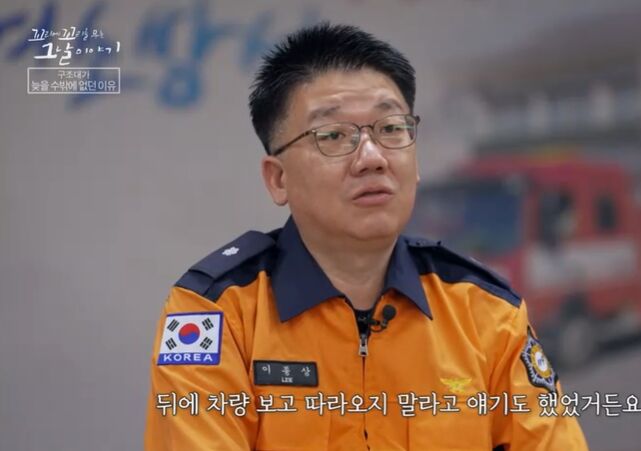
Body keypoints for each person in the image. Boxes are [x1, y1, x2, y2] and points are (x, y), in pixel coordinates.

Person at [144, 23, 588, 450]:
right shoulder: (213, 312)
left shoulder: (486, 312)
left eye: (391, 129)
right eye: (333, 135)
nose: (372, 157)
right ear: (278, 179)